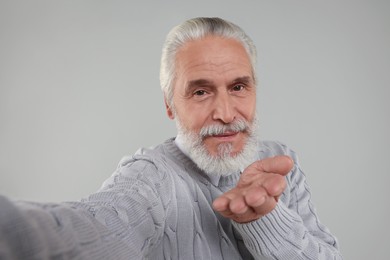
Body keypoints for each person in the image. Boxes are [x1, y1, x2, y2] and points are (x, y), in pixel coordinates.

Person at [0, 17, 342, 259]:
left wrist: (265, 217)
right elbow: (89, 228)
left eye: (238, 87)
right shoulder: (151, 177)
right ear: (170, 106)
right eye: (201, 92)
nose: (225, 112)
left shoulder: (280, 161)